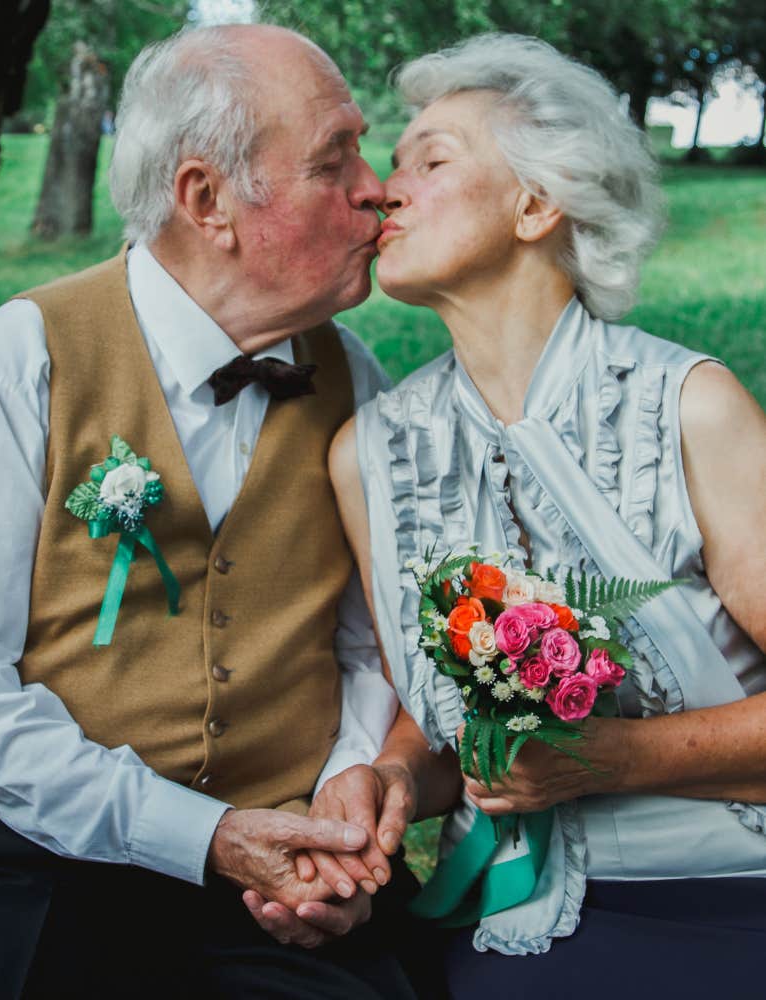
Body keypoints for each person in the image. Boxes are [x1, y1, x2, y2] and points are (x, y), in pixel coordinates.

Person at [0, 23, 427, 1000]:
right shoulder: (21, 359)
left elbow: (372, 650)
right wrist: (204, 836)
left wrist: (340, 804)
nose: (377, 188)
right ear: (207, 200)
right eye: (335, 160)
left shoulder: (357, 384)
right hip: (30, 860)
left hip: (281, 881)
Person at [323, 32, 766, 998]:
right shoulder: (369, 453)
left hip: (727, 902)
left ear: (537, 202)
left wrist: (612, 757)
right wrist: (396, 782)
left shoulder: (691, 408)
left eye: (431, 161)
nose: (386, 191)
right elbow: (440, 736)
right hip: (501, 923)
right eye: (392, 167)